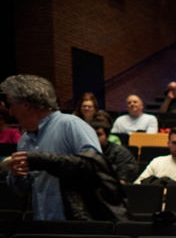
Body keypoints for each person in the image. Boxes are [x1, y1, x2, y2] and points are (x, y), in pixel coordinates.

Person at [3, 74, 102, 220]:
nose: (10, 112)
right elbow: (24, 189)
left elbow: (96, 169)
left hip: (77, 224)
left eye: (11, 105)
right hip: (43, 221)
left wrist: (45, 161)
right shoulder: (25, 140)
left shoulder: (71, 125)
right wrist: (16, 176)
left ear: (26, 105)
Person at [5, 145, 131, 222]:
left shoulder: (93, 161)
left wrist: (35, 159)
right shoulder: (26, 139)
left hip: (95, 221)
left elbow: (68, 163)